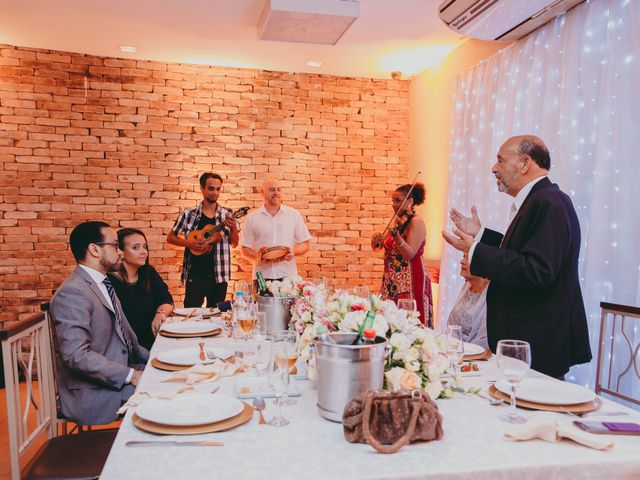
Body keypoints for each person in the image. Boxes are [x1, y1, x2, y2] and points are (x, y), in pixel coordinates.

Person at [442, 135, 592, 378]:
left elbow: (538, 269)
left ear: (525, 164)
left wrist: (476, 250)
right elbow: (522, 252)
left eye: (500, 161)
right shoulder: (539, 200)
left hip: (537, 342)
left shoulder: (549, 202)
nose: (494, 168)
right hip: (527, 339)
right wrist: (480, 235)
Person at [49, 221, 149, 426]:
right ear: (94, 250)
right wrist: (131, 375)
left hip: (117, 373)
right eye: (115, 245)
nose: (121, 252)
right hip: (95, 392)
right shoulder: (73, 292)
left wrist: (156, 360)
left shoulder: (103, 282)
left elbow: (127, 339)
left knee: (183, 381)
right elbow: (76, 356)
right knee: (171, 394)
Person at [167, 172, 239, 307]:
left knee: (217, 317)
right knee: (191, 317)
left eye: (218, 189)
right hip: (195, 276)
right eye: (211, 188)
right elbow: (171, 237)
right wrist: (190, 243)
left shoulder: (227, 214)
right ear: (202, 188)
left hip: (219, 277)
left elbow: (234, 243)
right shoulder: (189, 213)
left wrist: (233, 227)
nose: (215, 192)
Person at [372, 183, 434, 327]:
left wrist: (397, 238)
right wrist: (376, 241)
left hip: (410, 278)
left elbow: (410, 253)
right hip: (392, 280)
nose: (394, 205)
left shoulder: (416, 222)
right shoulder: (398, 221)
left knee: (409, 323)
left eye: (398, 201)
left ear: (410, 201)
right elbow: (380, 247)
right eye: (393, 201)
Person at [108, 228, 173, 350]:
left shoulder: (148, 272)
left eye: (145, 246)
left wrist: (160, 314)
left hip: (154, 340)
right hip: (125, 347)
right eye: (136, 248)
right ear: (120, 251)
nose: (144, 252)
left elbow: (166, 299)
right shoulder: (109, 281)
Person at [241, 178, 312, 281]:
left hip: (288, 277)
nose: (276, 193)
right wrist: (259, 256)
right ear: (262, 192)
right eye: (272, 189)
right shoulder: (252, 218)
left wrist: (293, 252)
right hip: (261, 277)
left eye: (279, 189)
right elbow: (244, 250)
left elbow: (306, 243)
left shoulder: (293, 214)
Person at [446, 254, 488, 348]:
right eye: (463, 256)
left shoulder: (491, 294)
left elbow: (483, 341)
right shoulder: (468, 285)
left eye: (467, 258)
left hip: (475, 356)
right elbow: (452, 326)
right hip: (454, 350)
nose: (462, 261)